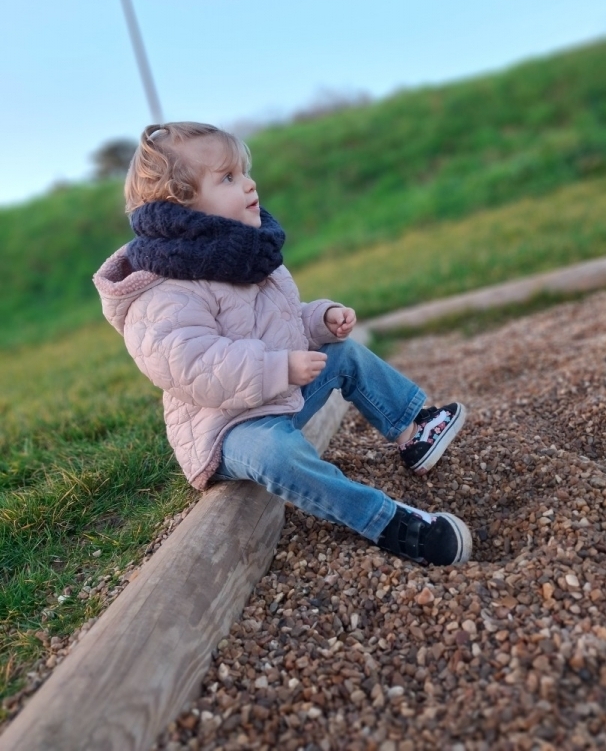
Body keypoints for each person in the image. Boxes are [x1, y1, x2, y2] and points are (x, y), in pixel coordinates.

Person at [93, 122, 472, 566]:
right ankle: (387, 522)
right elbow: (191, 365)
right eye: (228, 178)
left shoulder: (246, 255)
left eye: (244, 172)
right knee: (277, 454)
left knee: (340, 352)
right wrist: (280, 367)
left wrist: (321, 320)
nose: (249, 184)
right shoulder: (163, 290)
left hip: (275, 396)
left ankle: (411, 430)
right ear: (181, 204)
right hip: (227, 429)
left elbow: (279, 323)